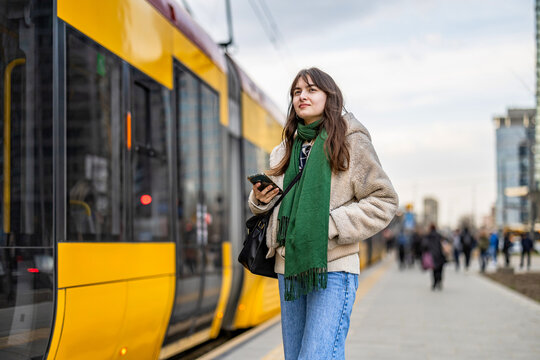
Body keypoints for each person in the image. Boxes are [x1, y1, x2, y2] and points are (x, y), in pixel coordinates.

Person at [248, 68, 398, 360]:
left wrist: (330, 224)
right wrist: (259, 199)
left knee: (317, 356)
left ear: (330, 97)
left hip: (334, 268)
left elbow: (384, 200)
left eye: (311, 90)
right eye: (296, 92)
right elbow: (275, 204)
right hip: (288, 269)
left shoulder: (350, 141)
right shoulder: (283, 150)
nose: (302, 96)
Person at [422, 224, 447, 290]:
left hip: (432, 255)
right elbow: (445, 243)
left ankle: (435, 283)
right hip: (440, 255)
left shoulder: (428, 236)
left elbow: (424, 245)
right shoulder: (439, 236)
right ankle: (439, 281)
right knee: (440, 269)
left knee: (434, 270)